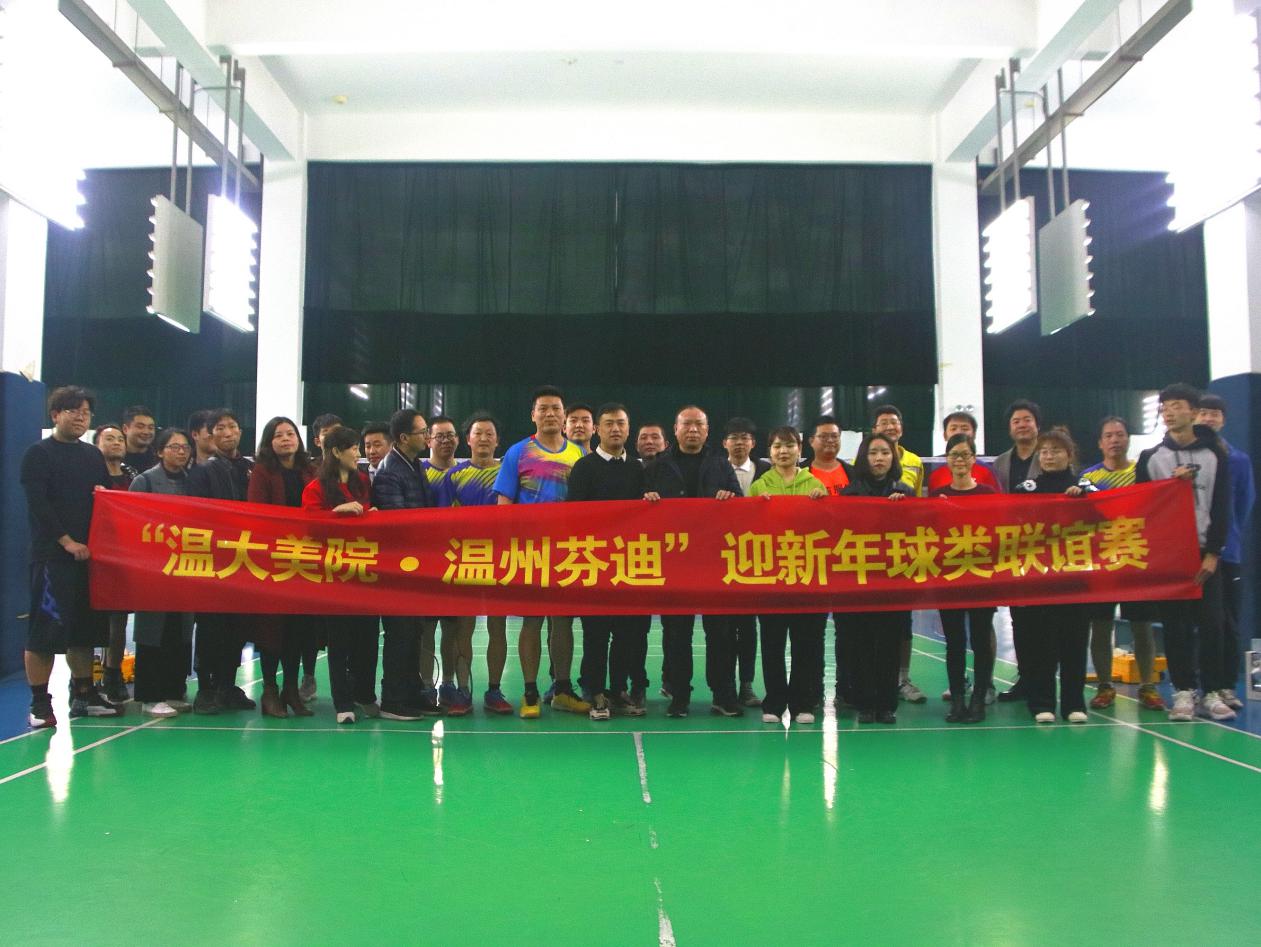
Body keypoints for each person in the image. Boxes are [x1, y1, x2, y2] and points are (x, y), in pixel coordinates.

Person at [22, 386, 120, 728]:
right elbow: (39, 505)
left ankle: (84, 695)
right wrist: (66, 541)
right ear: (55, 415)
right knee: (45, 633)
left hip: (88, 557)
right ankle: (39, 703)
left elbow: (103, 498)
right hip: (53, 558)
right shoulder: (38, 454)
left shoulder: (92, 456)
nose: (81, 418)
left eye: (86, 413)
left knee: (84, 632)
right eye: (73, 411)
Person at [1136, 383, 1234, 722]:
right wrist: (1169, 487)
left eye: (1176, 405)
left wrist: (1214, 553)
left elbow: (1222, 506)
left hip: (1206, 553)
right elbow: (1142, 508)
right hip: (1170, 556)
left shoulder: (1216, 456)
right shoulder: (1151, 459)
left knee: (1212, 626)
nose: (1169, 412)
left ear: (1193, 412)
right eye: (1165, 407)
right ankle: (1182, 691)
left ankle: (1212, 691)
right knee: (1175, 627)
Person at [493, 386, 590, 717]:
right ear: (533, 415)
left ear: (564, 416)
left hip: (568, 553)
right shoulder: (518, 452)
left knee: (563, 622)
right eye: (543, 409)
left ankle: (562, 689)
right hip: (530, 553)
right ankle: (530, 692)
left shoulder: (579, 454)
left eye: (556, 409)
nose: (550, 414)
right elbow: (504, 504)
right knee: (532, 621)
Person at [643, 404, 741, 717]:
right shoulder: (658, 466)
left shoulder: (721, 464)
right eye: (687, 424)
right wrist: (648, 500)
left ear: (707, 430)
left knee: (721, 633)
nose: (693, 430)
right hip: (674, 564)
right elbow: (638, 511)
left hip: (715, 563)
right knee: (676, 633)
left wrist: (731, 499)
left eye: (699, 424)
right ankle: (679, 695)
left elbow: (741, 505)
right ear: (676, 430)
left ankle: (723, 694)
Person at [567, 403, 653, 720]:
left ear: (628, 429)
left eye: (621, 423)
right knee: (596, 634)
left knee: (626, 634)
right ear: (597, 430)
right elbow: (573, 516)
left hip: (629, 565)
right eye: (608, 424)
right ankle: (594, 692)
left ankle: (618, 690)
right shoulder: (584, 468)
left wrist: (651, 503)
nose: (615, 429)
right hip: (594, 564)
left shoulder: (639, 470)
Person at [1012, 429, 1095, 723]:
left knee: (1074, 642)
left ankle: (1074, 703)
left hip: (1075, 579)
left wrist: (1082, 501)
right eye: (1044, 451)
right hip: (1040, 579)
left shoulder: (1085, 487)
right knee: (1041, 643)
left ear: (1069, 455)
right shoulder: (1026, 489)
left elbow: (1107, 518)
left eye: (1056, 450)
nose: (1049, 456)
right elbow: (1013, 526)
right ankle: (1042, 703)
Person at [1079, 417, 1162, 711]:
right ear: (1100, 443)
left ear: (1128, 439)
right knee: (1101, 626)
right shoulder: (1087, 477)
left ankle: (1147, 686)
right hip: (1101, 563)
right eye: (1109, 435)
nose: (1115, 440)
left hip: (1134, 559)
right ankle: (1105, 686)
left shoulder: (1143, 472)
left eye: (1120, 434)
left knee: (1142, 626)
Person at [301, 426, 380, 724]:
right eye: (354, 448)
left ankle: (365, 694)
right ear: (336, 451)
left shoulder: (363, 482)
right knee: (339, 642)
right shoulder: (315, 488)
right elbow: (310, 527)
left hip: (364, 573)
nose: (359, 454)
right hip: (334, 577)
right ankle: (343, 702)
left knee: (368, 638)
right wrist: (337, 513)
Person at [749, 426, 827, 725]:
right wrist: (757, 507)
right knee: (772, 643)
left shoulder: (814, 484)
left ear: (799, 450)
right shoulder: (759, 486)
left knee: (805, 644)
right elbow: (748, 530)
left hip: (806, 578)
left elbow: (826, 528)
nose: (783, 451)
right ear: (769, 452)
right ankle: (774, 702)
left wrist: (821, 504)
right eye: (777, 446)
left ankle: (802, 703)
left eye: (789, 445)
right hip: (771, 579)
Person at [437, 412, 512, 714]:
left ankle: (494, 690)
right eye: (478, 433)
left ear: (497, 440)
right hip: (465, 560)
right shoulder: (453, 476)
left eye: (489, 433)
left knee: (498, 627)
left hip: (501, 560)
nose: (483, 438)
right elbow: (441, 522)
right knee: (463, 628)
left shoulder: (507, 473)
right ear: (467, 440)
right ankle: (463, 690)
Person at [186, 408, 256, 715]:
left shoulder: (251, 468)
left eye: (232, 426)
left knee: (238, 627)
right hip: (214, 561)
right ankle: (206, 688)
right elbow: (195, 514)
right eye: (221, 428)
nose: (228, 432)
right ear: (211, 435)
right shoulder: (202, 472)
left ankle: (228, 685)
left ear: (240, 431)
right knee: (210, 626)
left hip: (246, 560)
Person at [247, 416, 318, 718]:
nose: (286, 439)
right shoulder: (262, 471)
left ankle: (291, 688)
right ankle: (270, 691)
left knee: (298, 630)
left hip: (304, 561)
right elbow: (257, 513)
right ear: (269, 442)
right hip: (274, 562)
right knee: (272, 630)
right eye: (279, 435)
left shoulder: (309, 470)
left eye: (291, 433)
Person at [840, 433, 910, 724]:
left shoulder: (905, 492)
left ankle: (887, 704)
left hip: (894, 582)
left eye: (884, 452)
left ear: (893, 457)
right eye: (873, 453)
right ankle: (865, 703)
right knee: (862, 644)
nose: (879, 458)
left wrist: (904, 509)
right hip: (859, 581)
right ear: (863, 458)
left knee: (890, 643)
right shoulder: (849, 494)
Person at [371, 409, 435, 719]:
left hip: (415, 564)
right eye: (423, 432)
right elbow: (397, 523)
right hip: (398, 568)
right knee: (399, 634)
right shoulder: (389, 472)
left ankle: (412, 693)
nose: (428, 437)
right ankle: (392, 700)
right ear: (404, 437)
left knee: (413, 633)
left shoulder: (415, 465)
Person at [129, 428, 196, 717]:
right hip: (153, 568)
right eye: (174, 447)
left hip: (185, 567)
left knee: (180, 630)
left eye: (185, 447)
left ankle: (173, 689)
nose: (181, 452)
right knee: (153, 630)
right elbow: (131, 521)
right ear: (159, 451)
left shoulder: (193, 481)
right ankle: (149, 694)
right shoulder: (144, 481)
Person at [930, 433, 997, 723]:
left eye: (965, 454)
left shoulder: (987, 494)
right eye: (954, 455)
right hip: (950, 580)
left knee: (981, 641)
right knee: (954, 642)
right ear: (947, 460)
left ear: (974, 459)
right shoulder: (936, 497)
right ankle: (958, 700)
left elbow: (998, 532)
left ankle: (979, 698)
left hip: (981, 579)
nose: (959, 460)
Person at [1196, 393, 1255, 711]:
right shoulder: (1186, 457)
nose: (1208, 418)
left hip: (1226, 554)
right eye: (1203, 412)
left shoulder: (1238, 460)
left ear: (1223, 420)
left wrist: (1225, 537)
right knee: (1194, 623)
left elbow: (1244, 503)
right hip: (1189, 553)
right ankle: (1194, 686)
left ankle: (1226, 685)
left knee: (1227, 623)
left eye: (1214, 413)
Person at [867, 404, 926, 704]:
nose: (889, 427)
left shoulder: (915, 462)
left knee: (902, 623)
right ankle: (869, 681)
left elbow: (920, 506)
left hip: (902, 555)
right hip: (867, 557)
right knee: (869, 624)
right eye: (883, 423)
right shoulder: (861, 466)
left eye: (894, 422)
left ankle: (902, 679)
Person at [993, 399, 1042, 704]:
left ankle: (1043, 680)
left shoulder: (1050, 454)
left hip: (1047, 549)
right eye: (1016, 421)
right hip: (1013, 550)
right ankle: (1025, 678)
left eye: (1027, 419)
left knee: (1045, 619)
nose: (1022, 425)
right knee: (1019, 619)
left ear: (1037, 424)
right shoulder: (1000, 463)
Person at [809, 415, 857, 707]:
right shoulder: (801, 474)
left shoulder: (853, 474)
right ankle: (812, 691)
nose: (830, 441)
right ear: (811, 441)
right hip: (811, 561)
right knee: (812, 632)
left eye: (834, 436)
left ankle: (846, 689)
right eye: (824, 436)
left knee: (848, 631)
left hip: (845, 562)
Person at [724, 417, 771, 707]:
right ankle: (726, 686)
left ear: (753, 443)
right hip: (723, 560)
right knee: (725, 630)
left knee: (749, 628)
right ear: (724, 443)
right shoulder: (716, 470)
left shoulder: (766, 471)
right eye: (734, 438)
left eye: (744, 438)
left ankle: (747, 685)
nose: (739, 443)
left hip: (756, 560)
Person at [422, 415, 467, 714]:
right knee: (426, 629)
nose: (446, 441)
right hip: (426, 562)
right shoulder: (419, 473)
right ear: (428, 440)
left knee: (453, 628)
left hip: (458, 562)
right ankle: (426, 684)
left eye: (450, 435)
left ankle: (449, 683)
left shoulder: (465, 473)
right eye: (439, 436)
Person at [92, 423, 136, 704]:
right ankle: (82, 680)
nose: (116, 443)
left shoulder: (133, 477)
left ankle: (113, 673)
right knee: (89, 623)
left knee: (118, 622)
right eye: (109, 439)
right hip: (94, 555)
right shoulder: (89, 475)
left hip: (123, 557)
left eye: (120, 439)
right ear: (97, 444)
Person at [926, 411, 998, 492]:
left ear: (974, 434)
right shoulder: (933, 470)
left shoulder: (987, 471)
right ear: (945, 435)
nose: (958, 432)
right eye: (953, 429)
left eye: (965, 429)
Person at [121, 404, 158, 471]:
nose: (146, 432)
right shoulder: (115, 457)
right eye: (140, 427)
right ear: (125, 429)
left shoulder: (159, 459)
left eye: (150, 428)